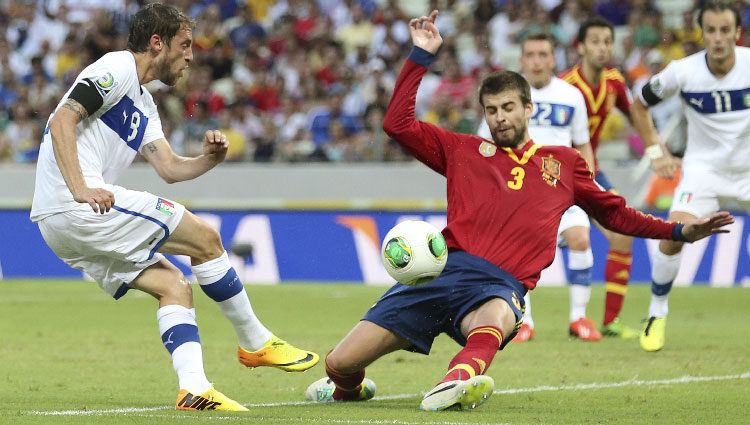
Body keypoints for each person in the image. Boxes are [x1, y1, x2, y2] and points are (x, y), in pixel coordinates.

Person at [303, 10, 734, 412]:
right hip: (441, 271)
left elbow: (617, 215)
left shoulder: (564, 164)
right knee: (339, 362)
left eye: (508, 108)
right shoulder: (463, 151)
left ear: (529, 108)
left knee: (496, 316)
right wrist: (420, 55)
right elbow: (396, 124)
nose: (500, 118)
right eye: (491, 111)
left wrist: (678, 233)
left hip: (499, 284)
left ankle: (457, 379)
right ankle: (352, 388)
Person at [29, 3, 318, 412]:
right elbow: (62, 121)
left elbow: (168, 168)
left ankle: (194, 389)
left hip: (61, 222)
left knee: (174, 287)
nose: (191, 56)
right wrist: (80, 188)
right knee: (207, 239)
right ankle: (255, 342)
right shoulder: (116, 68)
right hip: (76, 203)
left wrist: (208, 161)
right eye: (184, 45)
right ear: (156, 42)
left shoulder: (144, 104)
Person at [631, 0, 750, 352]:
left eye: (724, 30)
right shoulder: (682, 71)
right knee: (674, 235)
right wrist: (655, 151)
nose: (717, 38)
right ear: (701, 33)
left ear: (737, 33)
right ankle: (656, 311)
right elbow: (639, 104)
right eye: (710, 31)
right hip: (703, 171)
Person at [559, 16, 680, 339]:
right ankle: (521, 317)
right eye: (595, 41)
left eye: (607, 41)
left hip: (590, 171)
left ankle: (610, 321)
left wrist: (656, 153)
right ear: (581, 46)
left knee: (622, 234)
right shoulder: (564, 85)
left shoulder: (614, 82)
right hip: (555, 173)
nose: (602, 48)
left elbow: (638, 116)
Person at [478, 32, 596, 342]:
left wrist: (589, 185)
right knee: (519, 256)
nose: (537, 61)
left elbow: (583, 144)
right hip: (520, 193)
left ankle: (579, 318)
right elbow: (484, 144)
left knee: (581, 238)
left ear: (553, 59)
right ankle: (523, 321)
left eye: (543, 54)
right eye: (531, 55)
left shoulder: (571, 96)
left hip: (563, 190)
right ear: (522, 60)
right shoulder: (506, 96)